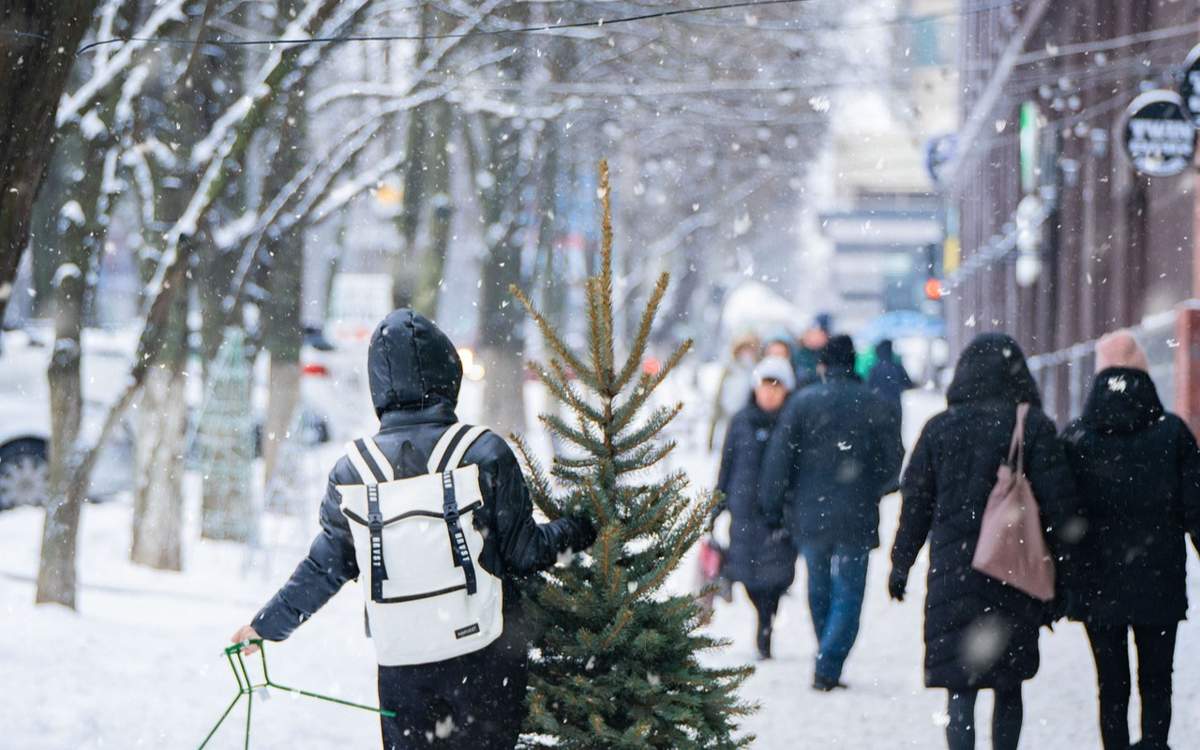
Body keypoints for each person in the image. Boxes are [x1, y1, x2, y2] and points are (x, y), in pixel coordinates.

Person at [230, 309, 595, 750]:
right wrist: (583, 527)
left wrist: (266, 626)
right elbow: (526, 553)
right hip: (485, 657)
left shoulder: (354, 472)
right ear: (448, 373)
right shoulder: (483, 453)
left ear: (378, 386)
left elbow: (324, 568)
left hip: (403, 663)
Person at [888, 333, 1081, 750]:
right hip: (1015, 571)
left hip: (954, 576)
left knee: (961, 687)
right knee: (1009, 685)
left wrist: (900, 564)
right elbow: (1060, 509)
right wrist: (1066, 577)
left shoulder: (938, 429)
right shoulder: (1031, 426)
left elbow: (915, 504)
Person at [1061, 331, 1200, 750]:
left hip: (1097, 581)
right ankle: (1155, 743)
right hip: (1159, 578)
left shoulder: (1077, 437)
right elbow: (1196, 509)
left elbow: (1062, 509)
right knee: (1158, 679)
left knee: (1111, 682)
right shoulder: (1172, 433)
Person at [759, 335, 904, 690]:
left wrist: (774, 506)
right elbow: (893, 461)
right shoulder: (874, 403)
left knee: (819, 585)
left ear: (822, 365)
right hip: (857, 513)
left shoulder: (802, 404)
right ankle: (830, 659)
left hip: (810, 514)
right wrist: (873, 489)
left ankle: (826, 652)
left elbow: (779, 460)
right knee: (850, 592)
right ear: (853, 363)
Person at [714, 355, 798, 660]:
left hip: (779, 515)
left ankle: (766, 626)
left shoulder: (793, 422)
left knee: (776, 578)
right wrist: (716, 504)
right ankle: (763, 620)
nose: (770, 392)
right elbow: (727, 465)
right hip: (744, 511)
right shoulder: (740, 421)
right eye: (766, 385)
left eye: (777, 386)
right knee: (748, 576)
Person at [707, 333, 760, 452]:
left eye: (750, 350)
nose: (746, 354)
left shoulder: (757, 371)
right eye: (744, 350)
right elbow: (719, 398)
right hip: (727, 418)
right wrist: (710, 437)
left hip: (747, 420)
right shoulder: (730, 370)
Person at [867, 338, 914, 413]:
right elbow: (909, 384)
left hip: (879, 405)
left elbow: (869, 387)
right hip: (895, 405)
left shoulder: (875, 368)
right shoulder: (897, 367)